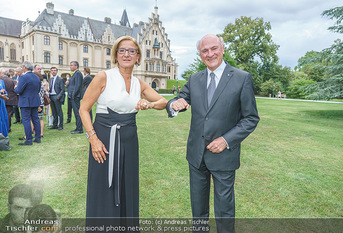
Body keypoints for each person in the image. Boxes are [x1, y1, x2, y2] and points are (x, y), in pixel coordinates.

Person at [167, 34, 260, 233]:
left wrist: (226, 140)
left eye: (214, 48)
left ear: (223, 49)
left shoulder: (242, 78)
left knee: (224, 211)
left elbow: (251, 118)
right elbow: (179, 100)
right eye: (204, 51)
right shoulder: (194, 79)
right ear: (200, 55)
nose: (210, 54)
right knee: (198, 212)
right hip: (196, 156)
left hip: (224, 156)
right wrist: (174, 105)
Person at [79, 36, 167, 224]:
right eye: (122, 50)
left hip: (129, 140)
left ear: (138, 57)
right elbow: (83, 109)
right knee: (104, 187)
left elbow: (163, 102)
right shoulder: (104, 76)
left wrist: (148, 104)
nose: (127, 54)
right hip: (104, 140)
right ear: (116, 55)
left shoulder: (139, 83)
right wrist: (93, 140)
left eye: (132, 51)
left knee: (128, 185)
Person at [15, 61, 41, 146]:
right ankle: (38, 138)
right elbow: (38, 90)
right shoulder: (36, 77)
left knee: (26, 120)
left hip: (25, 101)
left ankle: (29, 139)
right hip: (34, 100)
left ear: (24, 67)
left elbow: (19, 90)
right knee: (36, 119)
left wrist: (15, 87)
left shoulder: (23, 77)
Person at [67, 61, 83, 134]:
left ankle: (79, 129)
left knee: (77, 113)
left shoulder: (78, 73)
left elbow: (77, 85)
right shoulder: (74, 74)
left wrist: (73, 95)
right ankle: (77, 127)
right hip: (72, 96)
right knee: (76, 113)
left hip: (75, 97)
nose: (70, 66)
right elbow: (71, 85)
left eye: (71, 65)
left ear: (76, 66)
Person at [0, 69, 17, 133]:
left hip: (4, 98)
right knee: (8, 114)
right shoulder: (12, 80)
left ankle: (5, 128)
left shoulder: (2, 80)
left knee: (4, 114)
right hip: (9, 99)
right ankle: (8, 127)